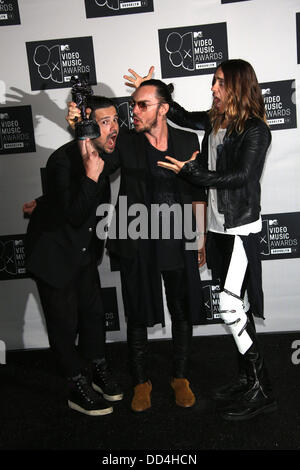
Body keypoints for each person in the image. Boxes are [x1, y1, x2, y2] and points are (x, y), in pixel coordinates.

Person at [67, 79, 207, 413]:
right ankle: (141, 381)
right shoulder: (126, 142)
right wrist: (79, 127)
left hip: (176, 236)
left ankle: (180, 377)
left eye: (142, 104)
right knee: (138, 314)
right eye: (133, 104)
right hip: (136, 238)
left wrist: (199, 237)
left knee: (181, 309)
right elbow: (96, 160)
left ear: (164, 109)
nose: (134, 111)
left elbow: (198, 192)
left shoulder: (188, 139)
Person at [154, 59, 277, 420]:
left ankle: (263, 387)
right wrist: (157, 89)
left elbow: (240, 176)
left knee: (230, 308)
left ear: (238, 86)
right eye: (213, 82)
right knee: (235, 309)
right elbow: (180, 115)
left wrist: (196, 173)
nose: (213, 89)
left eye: (220, 82)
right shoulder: (215, 120)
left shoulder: (255, 129)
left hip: (239, 231)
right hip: (218, 230)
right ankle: (246, 377)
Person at [24, 96, 123, 416]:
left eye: (115, 120)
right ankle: (76, 384)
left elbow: (58, 196)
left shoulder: (107, 153)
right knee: (64, 324)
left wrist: (42, 199)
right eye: (104, 122)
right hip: (53, 254)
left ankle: (96, 367)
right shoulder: (62, 161)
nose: (114, 128)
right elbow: (75, 213)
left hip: (82, 251)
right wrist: (92, 176)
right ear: (89, 126)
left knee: (93, 315)